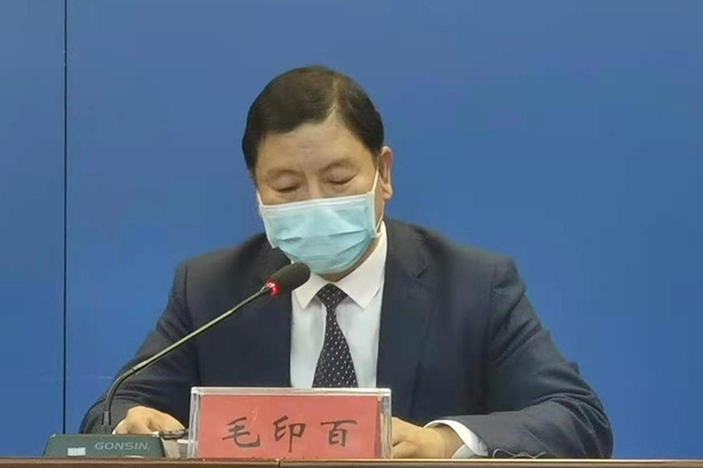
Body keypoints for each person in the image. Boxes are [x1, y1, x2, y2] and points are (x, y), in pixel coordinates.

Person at [81, 66, 612, 458]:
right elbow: (109, 412)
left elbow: (577, 419)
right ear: (256, 190)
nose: (315, 203)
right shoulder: (211, 290)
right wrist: (131, 422)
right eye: (286, 187)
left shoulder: (474, 286)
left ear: (384, 174)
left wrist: (444, 443)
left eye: (338, 180)